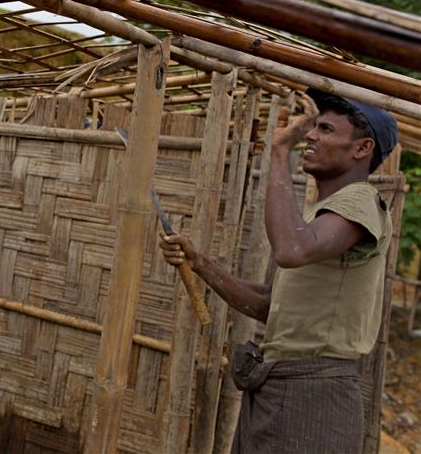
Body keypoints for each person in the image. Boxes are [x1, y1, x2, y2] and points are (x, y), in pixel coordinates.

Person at [160, 90, 398, 453]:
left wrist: (278, 152)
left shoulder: (361, 202)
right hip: (283, 386)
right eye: (314, 127)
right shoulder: (321, 216)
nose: (312, 136)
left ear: (362, 149)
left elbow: (292, 250)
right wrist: (199, 262)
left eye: (326, 129)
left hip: (314, 396)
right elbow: (267, 303)